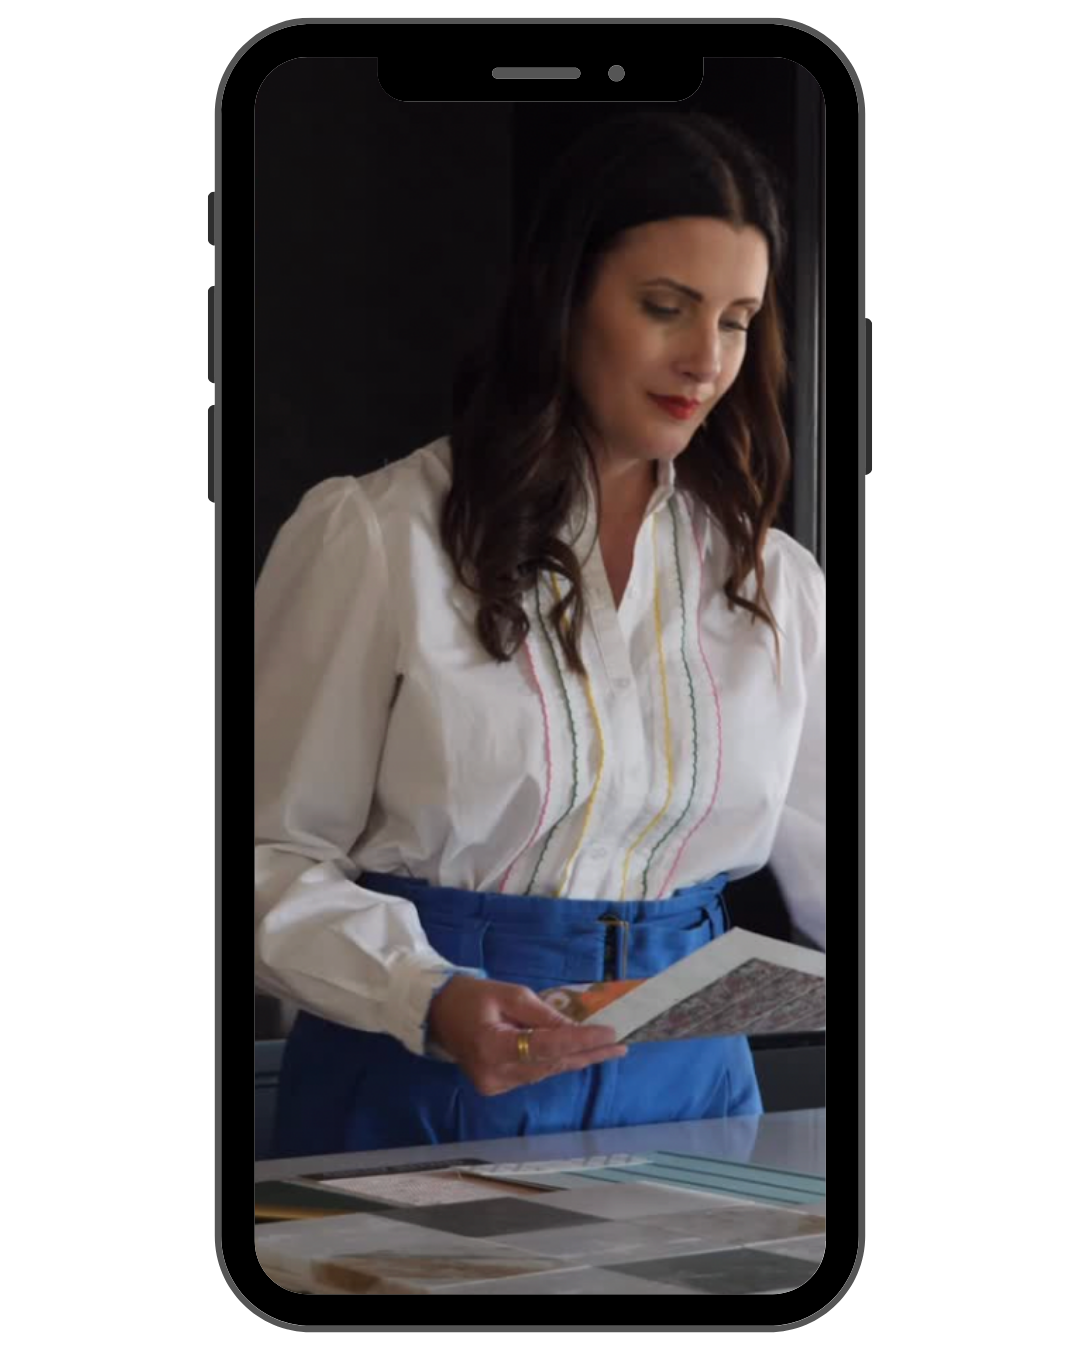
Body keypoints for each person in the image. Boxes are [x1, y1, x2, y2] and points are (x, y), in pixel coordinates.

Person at [255, 108, 826, 1159]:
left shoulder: (774, 583)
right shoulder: (375, 539)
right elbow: (264, 857)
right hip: (422, 1072)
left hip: (694, 1089)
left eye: (739, 320)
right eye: (666, 306)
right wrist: (426, 994)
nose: (706, 359)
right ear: (561, 298)